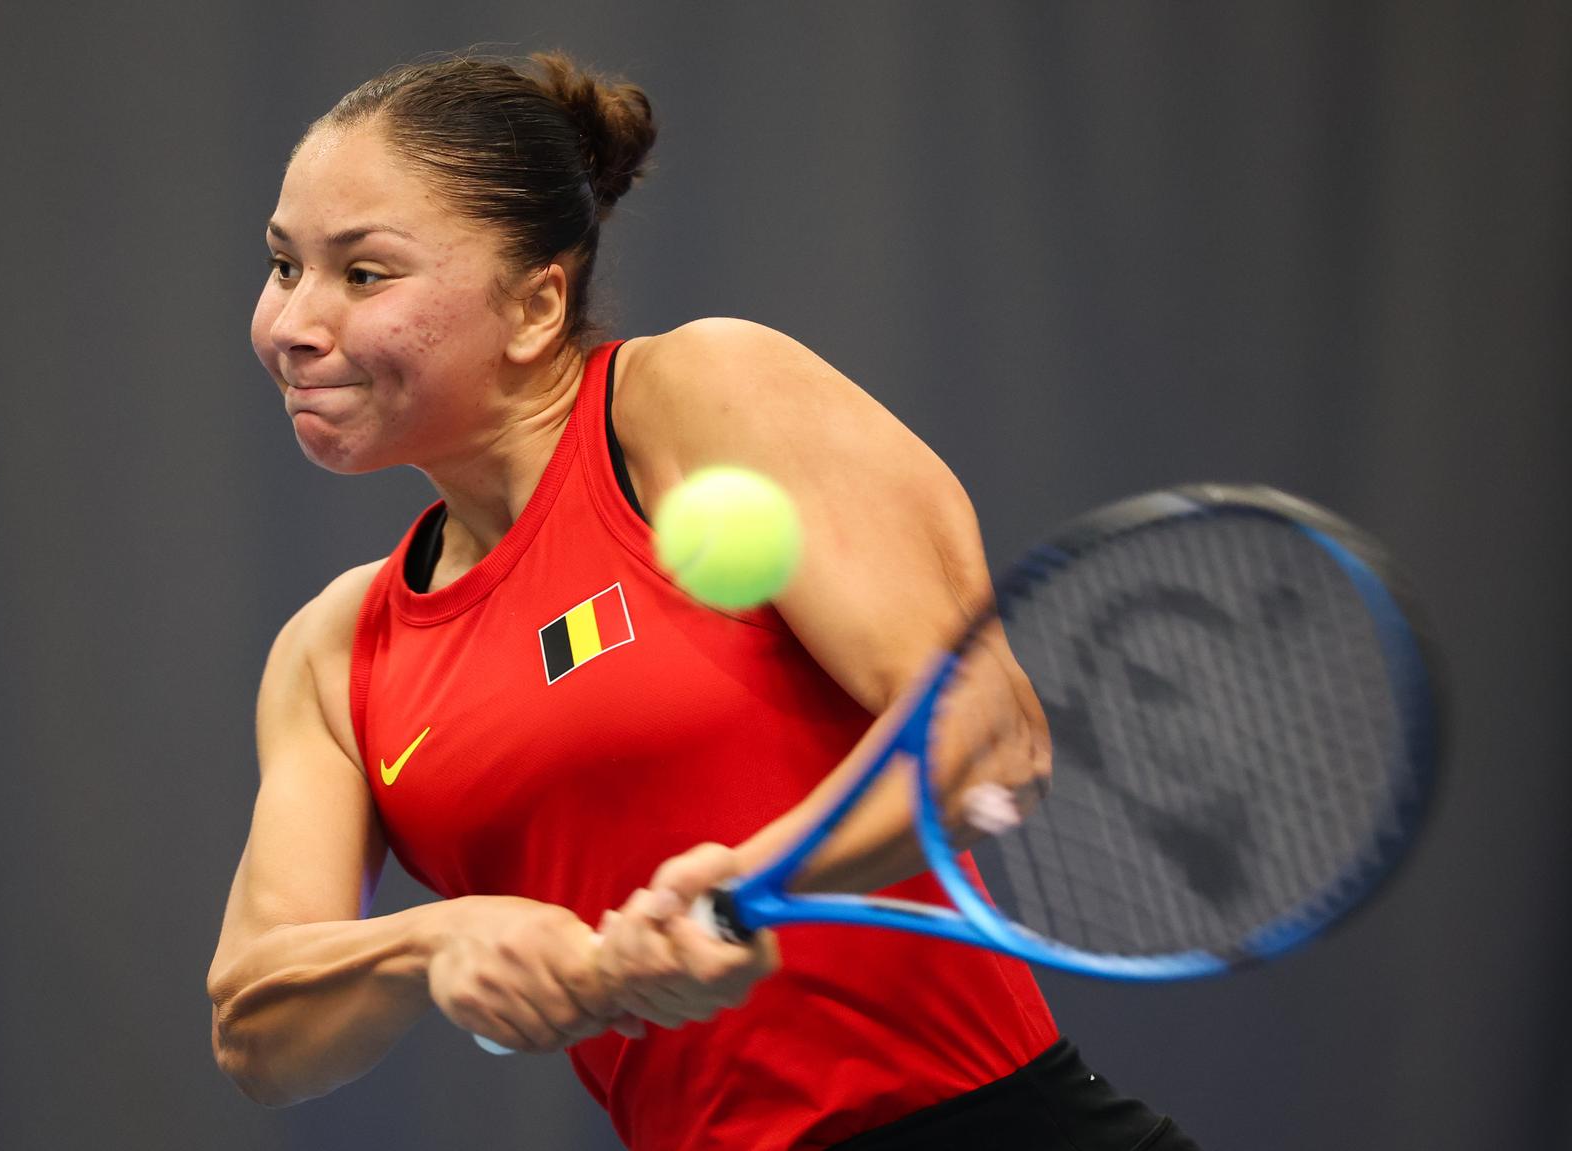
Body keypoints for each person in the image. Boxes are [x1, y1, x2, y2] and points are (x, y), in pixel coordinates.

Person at [207, 50, 1201, 1151]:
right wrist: (436, 942)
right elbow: (259, 1027)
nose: (291, 322)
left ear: (536, 305)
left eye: (363, 274)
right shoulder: (336, 651)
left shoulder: (699, 398)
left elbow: (988, 739)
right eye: (282, 264)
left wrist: (747, 889)